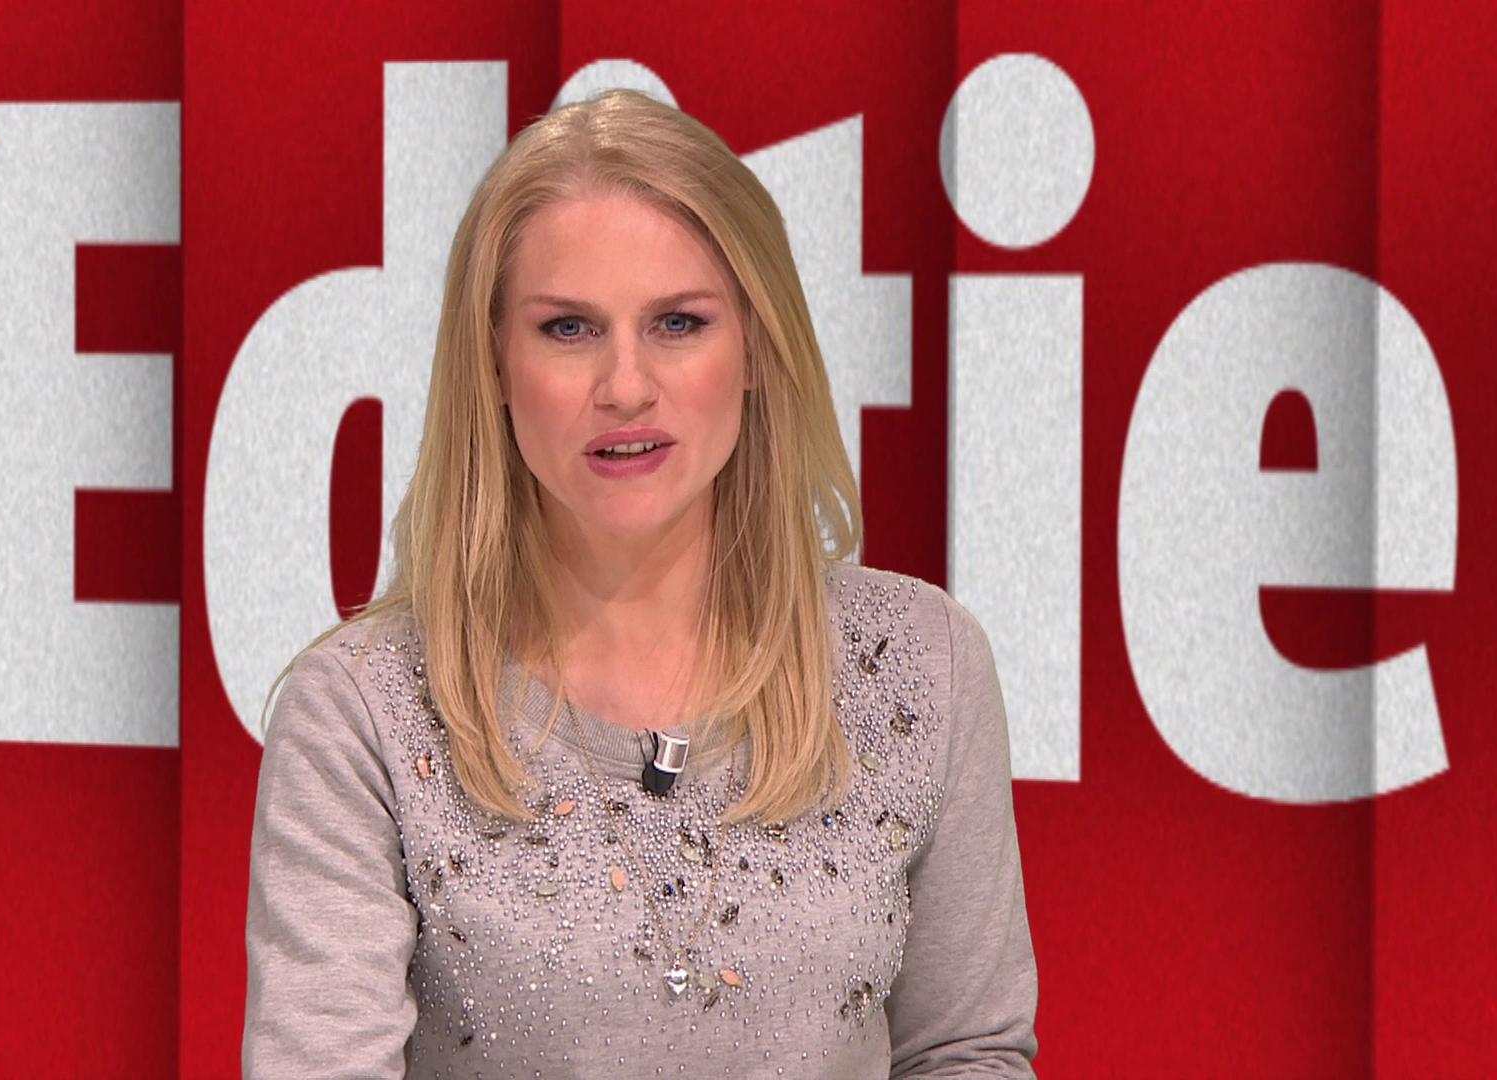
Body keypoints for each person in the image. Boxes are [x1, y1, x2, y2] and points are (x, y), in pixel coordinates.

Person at [241, 87, 1038, 1079]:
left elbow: (967, 1052)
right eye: (569, 329)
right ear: (494, 363)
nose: (625, 385)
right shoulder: (365, 711)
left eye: (677, 322)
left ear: (755, 346)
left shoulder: (921, 665)